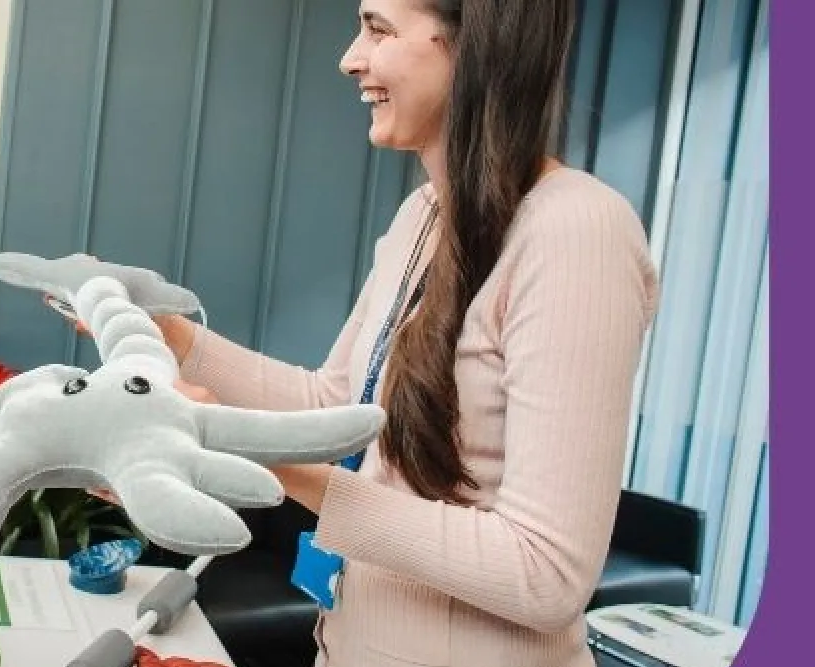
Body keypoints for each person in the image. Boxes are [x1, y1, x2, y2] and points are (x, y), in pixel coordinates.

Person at [95, 0, 658, 665]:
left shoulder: (576, 230)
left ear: (474, 42)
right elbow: (336, 406)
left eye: (379, 28)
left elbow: (546, 573)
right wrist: (171, 336)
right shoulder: (422, 215)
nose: (350, 58)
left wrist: (256, 452)